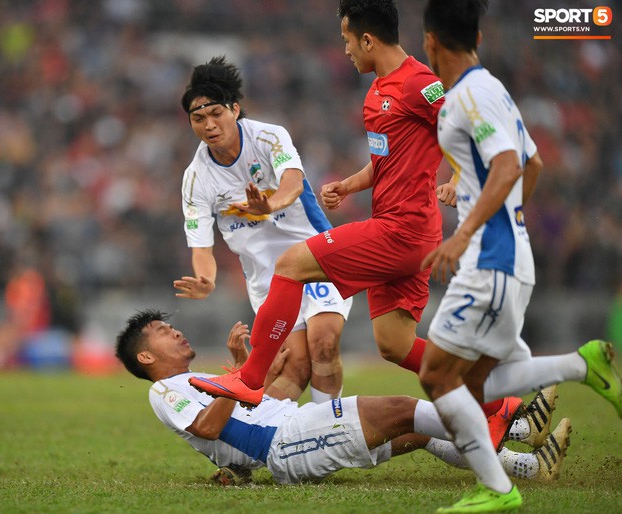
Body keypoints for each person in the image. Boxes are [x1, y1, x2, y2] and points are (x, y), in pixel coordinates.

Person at [187, 0, 509, 429]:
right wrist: (350, 184)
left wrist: (457, 178)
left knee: (291, 264)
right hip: (403, 229)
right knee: (394, 344)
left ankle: (249, 378)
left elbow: (468, 130)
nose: (345, 51)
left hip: (403, 229)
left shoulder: (421, 84)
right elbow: (385, 162)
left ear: (368, 39)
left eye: (346, 41)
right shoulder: (376, 92)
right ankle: (499, 406)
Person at [418, 1, 622, 512]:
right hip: (509, 258)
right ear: (478, 39)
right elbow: (531, 165)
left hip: (489, 263)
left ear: (429, 42)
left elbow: (511, 165)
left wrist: (468, 231)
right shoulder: (494, 90)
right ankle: (582, 364)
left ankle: (497, 488)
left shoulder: (463, 98)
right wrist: (487, 203)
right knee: (476, 382)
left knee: (437, 377)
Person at [115, 309, 571, 488]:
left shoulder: (196, 380)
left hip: (294, 427)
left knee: (414, 430)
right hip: (285, 445)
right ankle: (516, 425)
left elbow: (246, 410)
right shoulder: (164, 390)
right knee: (399, 407)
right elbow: (210, 429)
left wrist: (244, 373)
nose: (175, 331)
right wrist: (236, 376)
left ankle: (526, 465)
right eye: (162, 332)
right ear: (147, 354)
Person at [176, 56, 352, 403]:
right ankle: (252, 448)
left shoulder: (270, 137)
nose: (209, 125)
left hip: (314, 258)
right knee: (296, 365)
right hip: (267, 281)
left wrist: (268, 206)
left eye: (216, 114)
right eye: (198, 119)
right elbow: (202, 247)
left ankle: (332, 432)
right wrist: (206, 279)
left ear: (235, 109)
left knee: (324, 343)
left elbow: (294, 183)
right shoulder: (195, 178)